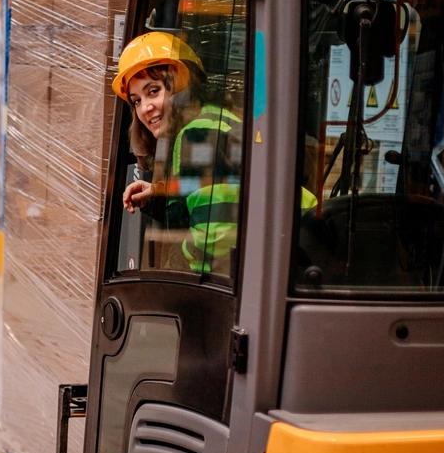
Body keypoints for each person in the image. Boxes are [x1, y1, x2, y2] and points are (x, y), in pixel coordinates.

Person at [116, 31, 317, 274]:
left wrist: (174, 269)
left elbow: (216, 234)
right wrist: (158, 193)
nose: (145, 108)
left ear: (182, 86)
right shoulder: (214, 120)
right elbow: (215, 198)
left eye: (153, 91)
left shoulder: (199, 133)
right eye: (136, 100)